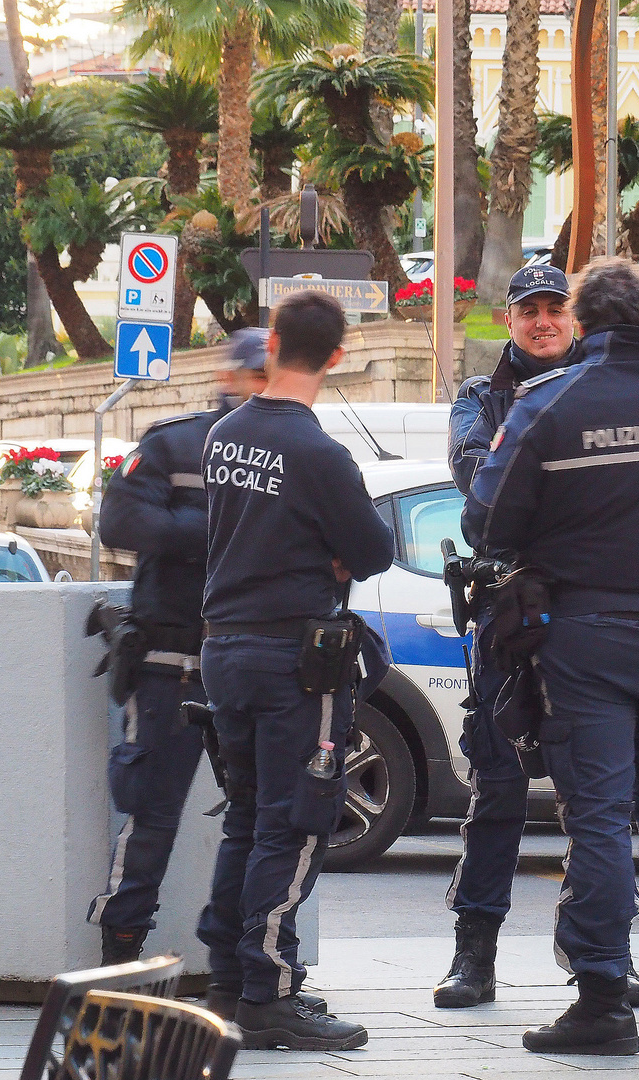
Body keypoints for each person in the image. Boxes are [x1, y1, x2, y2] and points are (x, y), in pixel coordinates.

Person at [464, 258, 639, 1055]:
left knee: (595, 819)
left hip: (587, 639)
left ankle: (600, 1001)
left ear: (582, 325)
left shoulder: (550, 401)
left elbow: (484, 520)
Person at [438, 266, 639, 1010]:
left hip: (591, 614)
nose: (542, 322)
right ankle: (474, 954)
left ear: (575, 318)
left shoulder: (605, 387)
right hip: (508, 620)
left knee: (599, 798)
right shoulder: (480, 397)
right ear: (509, 320)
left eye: (554, 309)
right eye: (528, 311)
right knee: (496, 786)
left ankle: (605, 956)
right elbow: (475, 471)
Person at [196, 291, 396, 1051]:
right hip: (295, 662)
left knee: (245, 819)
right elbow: (373, 553)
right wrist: (333, 551)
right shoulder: (319, 454)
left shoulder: (224, 432)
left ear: (272, 342)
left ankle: (229, 978)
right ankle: (271, 993)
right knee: (297, 822)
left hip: (226, 648)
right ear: (338, 357)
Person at [87, 329, 269, 965]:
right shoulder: (176, 441)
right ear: (230, 375)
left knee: (264, 826)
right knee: (151, 818)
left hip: (253, 665)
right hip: (171, 667)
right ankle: (119, 953)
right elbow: (121, 522)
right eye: (255, 372)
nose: (264, 384)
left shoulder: (303, 451)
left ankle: (246, 966)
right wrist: (228, 531)